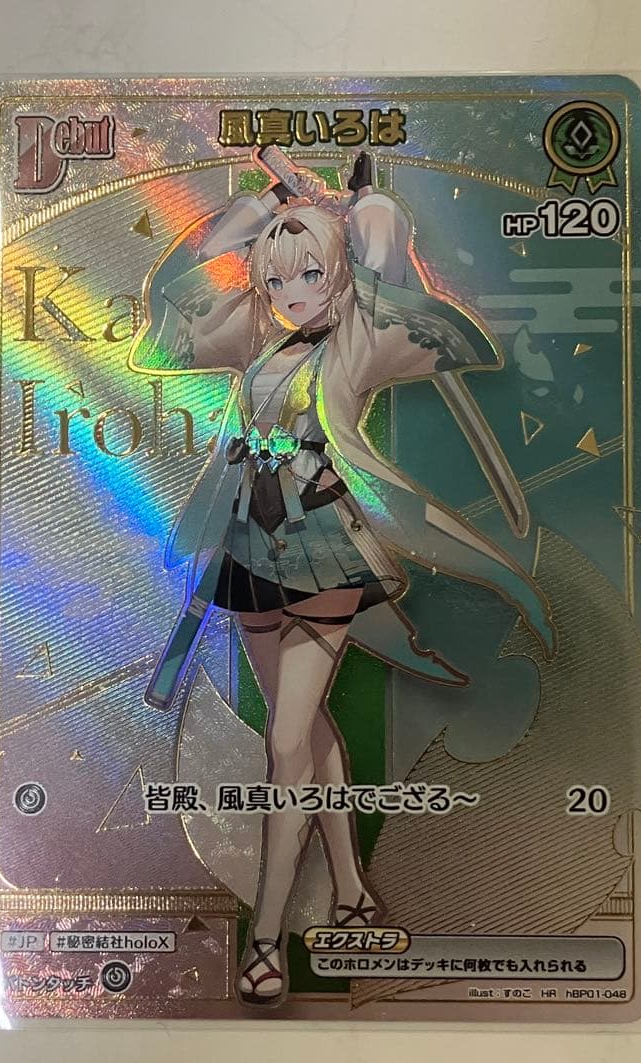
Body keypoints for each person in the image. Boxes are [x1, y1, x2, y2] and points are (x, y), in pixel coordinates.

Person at [130, 151, 555, 1006]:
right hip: (249, 548)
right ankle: (353, 889)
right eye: (276, 278)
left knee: (287, 744)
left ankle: (267, 937)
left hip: (325, 550)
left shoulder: (359, 336)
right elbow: (169, 303)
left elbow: (408, 287)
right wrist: (248, 215)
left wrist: (369, 211)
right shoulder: (255, 335)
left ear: (338, 273)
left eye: (309, 274)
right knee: (310, 730)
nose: (291, 293)